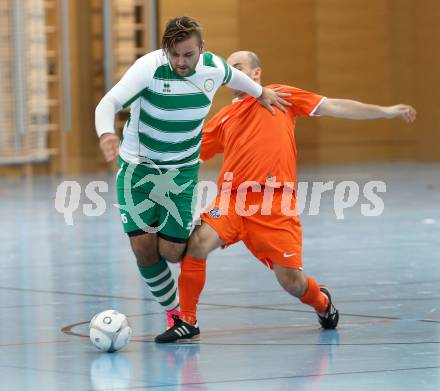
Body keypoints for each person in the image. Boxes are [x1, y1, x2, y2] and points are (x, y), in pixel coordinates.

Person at [155, 50, 417, 342]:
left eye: (239, 67)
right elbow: (189, 156)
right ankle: (187, 321)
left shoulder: (279, 96)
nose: (233, 73)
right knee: (197, 245)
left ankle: (323, 303)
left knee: (291, 282)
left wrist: (384, 111)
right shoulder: (224, 117)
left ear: (256, 74)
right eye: (230, 70)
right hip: (232, 202)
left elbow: (334, 106)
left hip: (274, 204)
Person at [94, 18, 290, 328]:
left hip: (181, 173)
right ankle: (176, 315)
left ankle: (169, 230)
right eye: (174, 55)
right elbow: (109, 102)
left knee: (172, 253)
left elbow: (235, 77)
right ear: (165, 50)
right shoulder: (149, 68)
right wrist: (106, 134)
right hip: (137, 170)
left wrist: (260, 91)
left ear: (202, 49)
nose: (181, 62)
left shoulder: (215, 68)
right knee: (144, 249)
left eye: (188, 55)